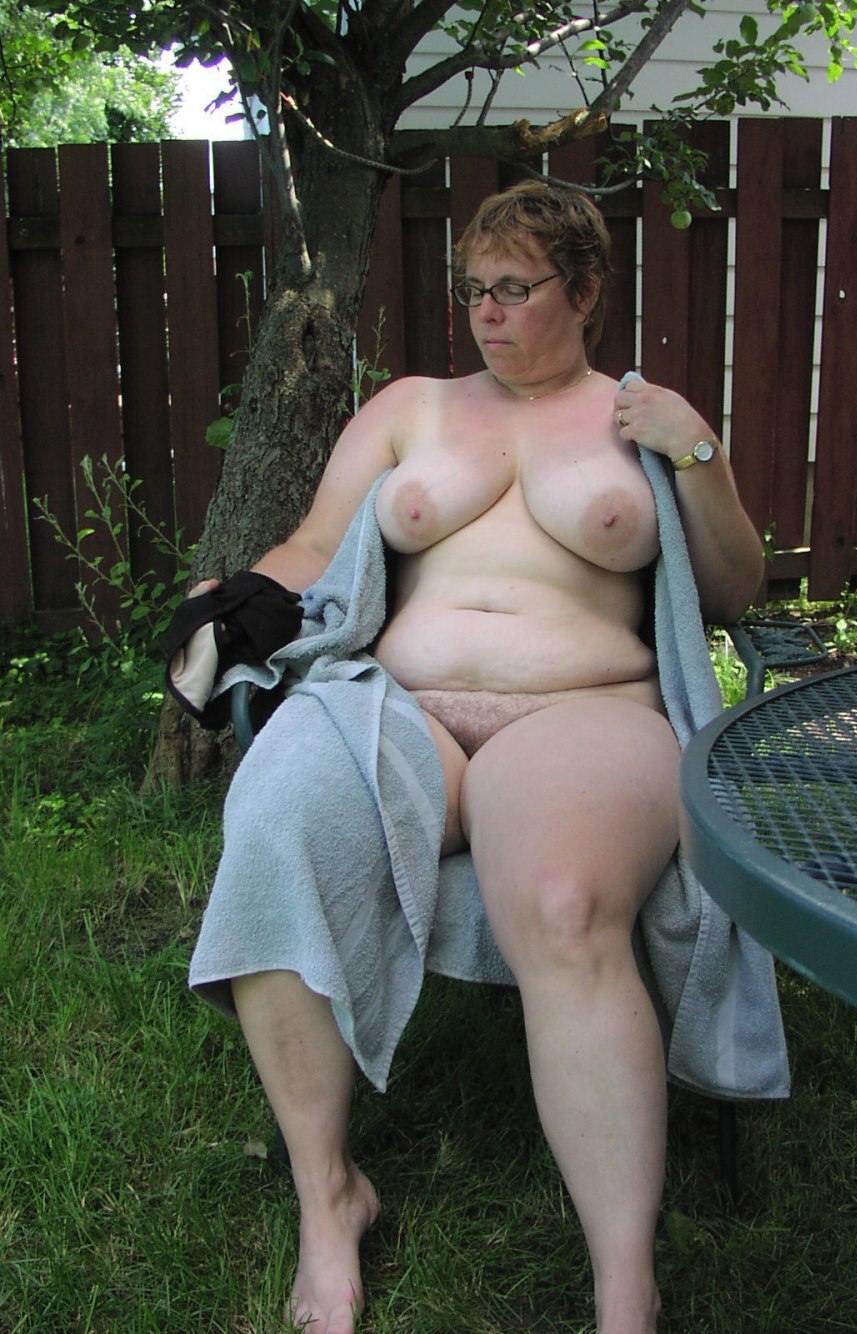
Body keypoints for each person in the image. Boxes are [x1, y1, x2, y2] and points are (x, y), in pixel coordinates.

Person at [190, 180, 765, 1333]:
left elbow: (730, 589)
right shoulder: (413, 406)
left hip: (583, 713)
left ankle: (624, 1289)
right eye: (472, 290)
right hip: (394, 706)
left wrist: (696, 452)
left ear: (585, 291)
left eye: (513, 288)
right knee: (273, 823)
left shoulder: (639, 417)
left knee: (562, 901)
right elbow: (315, 543)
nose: (486, 314)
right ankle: (329, 1198)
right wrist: (230, 601)